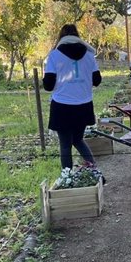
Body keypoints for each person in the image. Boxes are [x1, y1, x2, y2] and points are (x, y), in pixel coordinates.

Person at [43, 24, 101, 171]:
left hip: (62, 106)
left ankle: (67, 177)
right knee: (78, 139)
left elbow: (48, 85)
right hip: (84, 105)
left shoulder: (54, 55)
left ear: (61, 38)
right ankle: (93, 170)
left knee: (65, 145)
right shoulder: (89, 55)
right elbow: (97, 80)